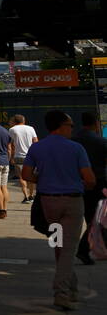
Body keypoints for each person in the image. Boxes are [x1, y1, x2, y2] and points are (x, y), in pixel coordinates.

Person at [21, 111, 94, 310]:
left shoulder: (37, 148)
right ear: (62, 126)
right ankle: (61, 292)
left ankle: (72, 287)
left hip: (47, 203)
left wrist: (43, 179)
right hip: (72, 202)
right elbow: (89, 179)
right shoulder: (76, 148)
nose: (72, 129)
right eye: (70, 125)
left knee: (58, 245)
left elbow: (26, 174)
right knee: (68, 248)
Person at [72, 113, 106, 266]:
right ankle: (84, 249)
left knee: (86, 218)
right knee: (96, 219)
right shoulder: (101, 141)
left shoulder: (73, 140)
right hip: (97, 183)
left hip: (76, 183)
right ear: (96, 123)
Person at [9, 114, 39, 202]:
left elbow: (11, 144)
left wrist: (11, 157)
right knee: (31, 177)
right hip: (31, 156)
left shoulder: (12, 129)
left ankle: (25, 197)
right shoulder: (31, 128)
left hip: (18, 156)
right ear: (24, 121)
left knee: (22, 178)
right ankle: (31, 195)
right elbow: (36, 141)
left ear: (15, 121)